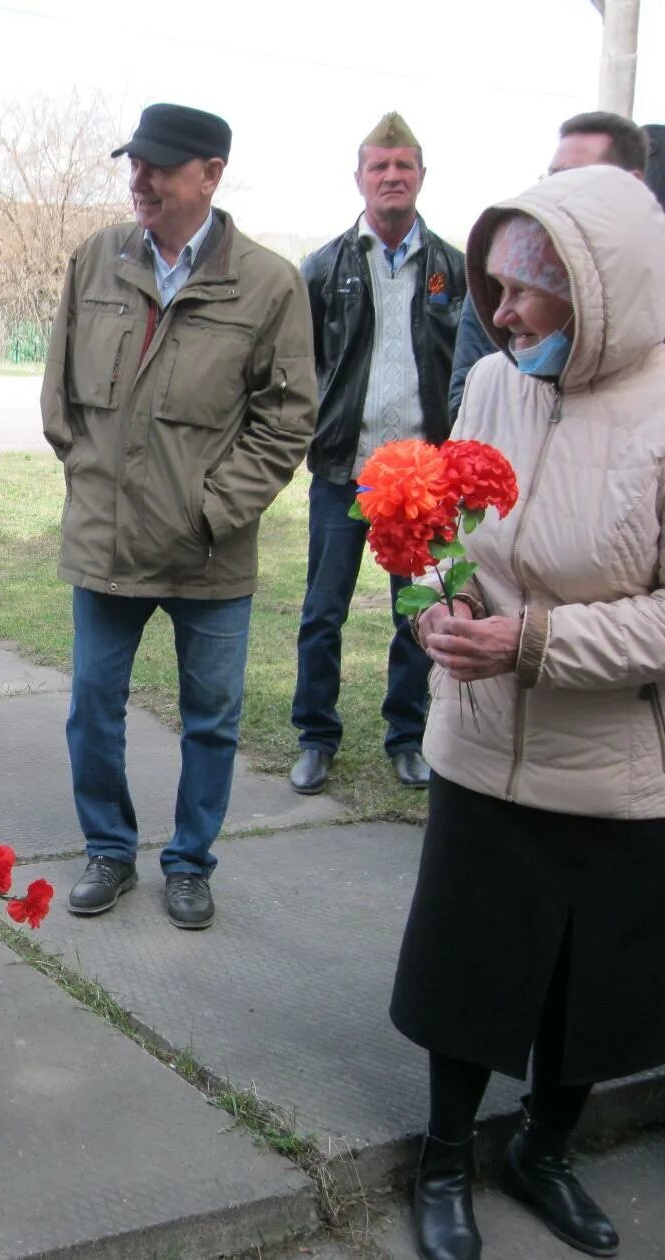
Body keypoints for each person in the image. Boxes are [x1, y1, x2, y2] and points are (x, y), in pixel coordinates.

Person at [391, 165, 665, 1260]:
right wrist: (437, 603)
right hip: (478, 740)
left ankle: (542, 1151)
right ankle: (447, 1157)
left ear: (596, 291)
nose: (497, 315)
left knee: (588, 988)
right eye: (492, 288)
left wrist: (534, 640)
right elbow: (439, 534)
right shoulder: (497, 384)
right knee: (468, 964)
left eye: (520, 292)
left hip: (610, 763)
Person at [41, 103, 316, 931]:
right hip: (107, 541)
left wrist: (210, 511)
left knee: (213, 720)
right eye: (137, 164)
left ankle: (190, 862)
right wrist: (97, 486)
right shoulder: (96, 258)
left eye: (162, 166)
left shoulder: (269, 283)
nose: (142, 180)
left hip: (210, 554)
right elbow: (60, 397)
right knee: (93, 704)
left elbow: (287, 418)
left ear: (211, 175)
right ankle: (108, 850)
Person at [288, 113, 464, 796]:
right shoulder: (324, 268)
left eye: (404, 167)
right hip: (342, 474)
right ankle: (315, 737)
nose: (392, 178)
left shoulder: (452, 267)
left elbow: (468, 366)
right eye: (379, 167)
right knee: (321, 612)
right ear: (359, 177)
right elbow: (296, 367)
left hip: (422, 484)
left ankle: (408, 736)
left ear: (422, 176)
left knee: (417, 612)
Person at [447, 111, 649, 420]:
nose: (503, 314)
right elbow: (465, 400)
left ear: (631, 186)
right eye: (554, 177)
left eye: (576, 178)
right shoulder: (500, 273)